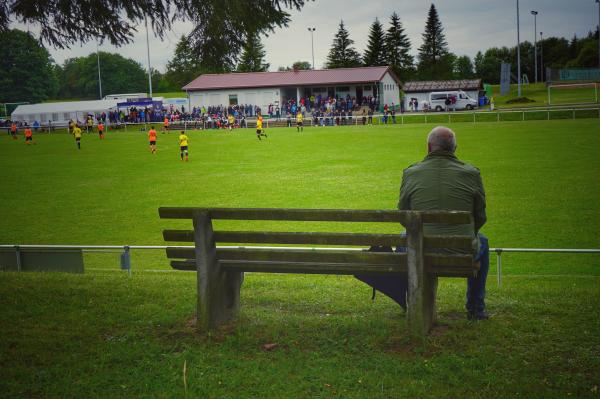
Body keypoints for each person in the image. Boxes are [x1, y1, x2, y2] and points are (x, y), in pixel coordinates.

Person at [401, 126, 489, 320]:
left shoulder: (411, 173)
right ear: (454, 148)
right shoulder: (471, 174)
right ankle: (476, 308)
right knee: (483, 240)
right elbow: (480, 216)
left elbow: (403, 214)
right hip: (461, 251)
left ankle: (410, 303)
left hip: (420, 250)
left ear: (429, 147)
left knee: (403, 240)